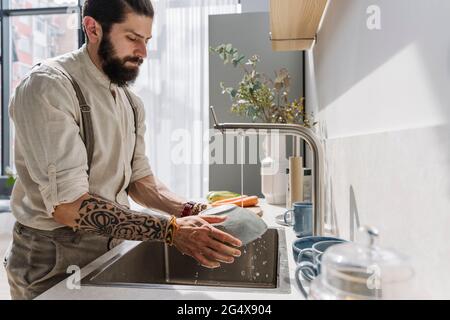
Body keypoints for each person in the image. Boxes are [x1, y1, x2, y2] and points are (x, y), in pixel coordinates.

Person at [4, 0, 242, 300]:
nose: (143, 52)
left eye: (146, 40)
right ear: (92, 29)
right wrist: (171, 230)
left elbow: (140, 182)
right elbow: (68, 207)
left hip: (111, 247)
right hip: (51, 260)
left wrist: (194, 211)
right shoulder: (48, 87)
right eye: (132, 38)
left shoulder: (130, 102)